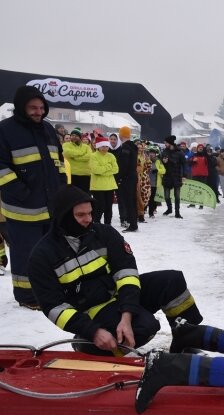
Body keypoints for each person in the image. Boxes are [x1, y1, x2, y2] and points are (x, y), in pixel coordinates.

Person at [27, 185, 204, 357]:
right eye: (80, 215)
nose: (88, 219)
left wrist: (127, 314)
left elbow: (127, 274)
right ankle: (87, 345)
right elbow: (54, 308)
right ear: (63, 217)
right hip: (92, 313)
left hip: (118, 297)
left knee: (172, 280)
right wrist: (93, 331)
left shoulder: (104, 234)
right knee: (145, 327)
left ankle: (187, 342)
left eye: (90, 213)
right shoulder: (42, 256)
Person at [0, 85, 67, 309]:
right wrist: (21, 192)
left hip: (50, 205)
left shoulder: (47, 129)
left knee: (50, 251)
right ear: (21, 107)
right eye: (33, 108)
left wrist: (62, 189)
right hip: (22, 208)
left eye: (41, 107)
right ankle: (27, 296)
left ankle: (48, 289)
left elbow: (57, 160)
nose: (38, 112)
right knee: (25, 252)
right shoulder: (5, 130)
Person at [88, 136, 118, 225]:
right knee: (99, 207)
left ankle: (108, 225)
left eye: (106, 146)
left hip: (110, 186)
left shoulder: (111, 155)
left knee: (108, 208)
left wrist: (103, 171)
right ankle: (96, 225)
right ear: (98, 146)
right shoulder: (93, 156)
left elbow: (116, 169)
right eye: (103, 146)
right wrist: (108, 167)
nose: (105, 148)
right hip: (97, 186)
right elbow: (96, 170)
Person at [116, 126, 138, 232]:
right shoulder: (133, 146)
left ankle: (133, 224)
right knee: (132, 200)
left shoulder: (125, 147)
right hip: (133, 176)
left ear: (121, 135)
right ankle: (133, 222)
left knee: (128, 201)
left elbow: (124, 165)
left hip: (127, 177)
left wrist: (119, 177)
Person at [62, 128, 93, 193]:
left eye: (76, 136)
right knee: (73, 195)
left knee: (85, 195)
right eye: (72, 135)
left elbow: (89, 156)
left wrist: (75, 158)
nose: (74, 137)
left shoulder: (86, 147)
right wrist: (81, 153)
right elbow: (67, 153)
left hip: (85, 175)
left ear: (80, 137)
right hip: (72, 174)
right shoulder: (66, 145)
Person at [160, 135, 185, 218]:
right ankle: (169, 209)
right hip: (167, 176)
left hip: (177, 176)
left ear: (170, 143)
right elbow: (161, 162)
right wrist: (164, 162)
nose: (165, 144)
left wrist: (184, 175)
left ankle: (177, 212)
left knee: (177, 196)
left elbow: (184, 164)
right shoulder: (164, 151)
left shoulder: (179, 152)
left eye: (166, 143)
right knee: (166, 195)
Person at [146, 146, 165, 218]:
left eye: (153, 153)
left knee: (152, 198)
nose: (151, 154)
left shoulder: (158, 161)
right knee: (145, 197)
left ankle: (151, 212)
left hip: (154, 183)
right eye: (150, 153)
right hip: (146, 182)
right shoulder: (145, 159)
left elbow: (164, 170)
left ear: (155, 154)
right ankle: (143, 210)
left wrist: (158, 170)